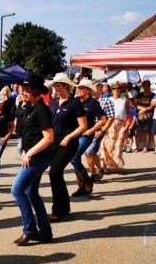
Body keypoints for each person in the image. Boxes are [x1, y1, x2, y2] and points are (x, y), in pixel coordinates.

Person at [11, 74, 54, 245]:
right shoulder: (29, 107)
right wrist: (25, 151)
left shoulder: (42, 110)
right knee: (31, 193)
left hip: (39, 158)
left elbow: (49, 137)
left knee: (17, 190)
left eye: (27, 90)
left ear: (36, 91)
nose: (24, 92)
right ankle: (45, 232)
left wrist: (30, 153)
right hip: (32, 156)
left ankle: (29, 230)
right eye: (23, 89)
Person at [47, 75, 87, 220]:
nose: (55, 88)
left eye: (58, 85)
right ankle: (64, 207)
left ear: (65, 86)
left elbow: (83, 126)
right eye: (54, 85)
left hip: (69, 144)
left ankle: (57, 210)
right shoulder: (54, 103)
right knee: (56, 175)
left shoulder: (75, 103)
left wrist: (69, 136)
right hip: (54, 143)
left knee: (54, 172)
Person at [79, 81, 109, 182]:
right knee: (90, 153)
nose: (78, 90)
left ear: (88, 90)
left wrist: (95, 130)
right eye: (78, 88)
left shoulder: (93, 103)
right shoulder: (76, 102)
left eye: (81, 88)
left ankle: (91, 174)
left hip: (92, 133)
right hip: (78, 133)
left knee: (88, 153)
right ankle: (98, 170)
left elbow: (104, 119)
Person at [101, 81, 129, 172]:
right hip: (109, 124)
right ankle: (104, 166)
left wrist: (127, 126)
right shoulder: (107, 100)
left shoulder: (125, 100)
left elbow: (129, 115)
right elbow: (102, 114)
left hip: (121, 125)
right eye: (114, 88)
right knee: (106, 145)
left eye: (118, 88)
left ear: (121, 89)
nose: (116, 90)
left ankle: (116, 164)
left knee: (118, 146)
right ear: (111, 89)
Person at [135, 80, 155, 153]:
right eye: (145, 85)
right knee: (138, 131)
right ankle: (136, 147)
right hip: (140, 115)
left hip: (149, 115)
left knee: (147, 132)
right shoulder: (139, 95)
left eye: (147, 85)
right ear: (143, 86)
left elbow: (153, 106)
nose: (146, 87)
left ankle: (146, 147)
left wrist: (144, 109)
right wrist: (143, 109)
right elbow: (135, 104)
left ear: (149, 86)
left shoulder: (153, 95)